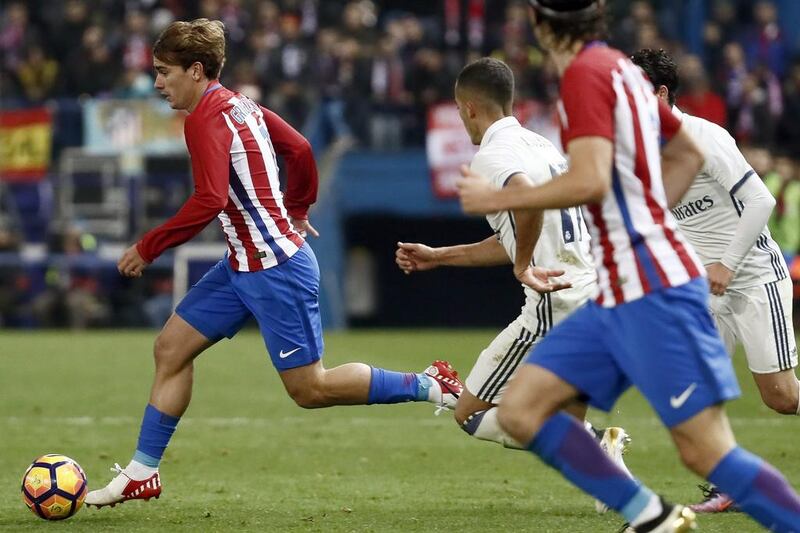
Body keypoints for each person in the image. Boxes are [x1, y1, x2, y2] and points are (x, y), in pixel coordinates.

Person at [85, 18, 462, 508]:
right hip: (242, 264)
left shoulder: (204, 119)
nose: (157, 82)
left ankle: (429, 384)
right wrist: (298, 207)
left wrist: (147, 247)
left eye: (163, 72)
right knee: (171, 348)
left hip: (276, 269)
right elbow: (300, 149)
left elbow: (209, 199)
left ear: (195, 71)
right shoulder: (240, 103)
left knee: (311, 389)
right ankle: (142, 473)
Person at [456, 1, 800, 532]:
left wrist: (498, 198)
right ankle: (653, 517)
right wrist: (649, 216)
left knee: (707, 449)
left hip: (650, 288)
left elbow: (591, 180)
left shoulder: (587, 79)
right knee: (525, 411)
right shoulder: (619, 73)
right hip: (624, 285)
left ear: (545, 28)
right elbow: (682, 152)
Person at [395, 57, 632, 513]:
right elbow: (513, 233)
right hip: (593, 296)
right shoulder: (542, 145)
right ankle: (611, 471)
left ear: (467, 108)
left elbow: (526, 207)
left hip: (553, 305)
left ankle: (603, 450)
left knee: (471, 414)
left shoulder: (494, 154)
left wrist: (524, 265)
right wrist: (440, 256)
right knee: (565, 424)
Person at [631, 47, 799, 514]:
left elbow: (761, 202)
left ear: (661, 93)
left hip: (752, 275)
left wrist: (724, 263)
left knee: (782, 397)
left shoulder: (703, 136)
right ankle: (729, 487)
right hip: (703, 290)